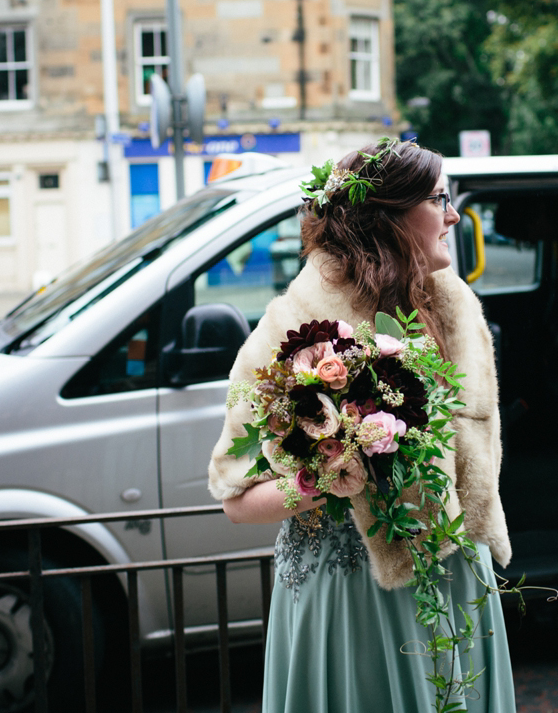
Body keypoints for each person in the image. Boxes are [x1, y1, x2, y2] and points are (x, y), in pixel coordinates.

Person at [208, 139, 517, 713]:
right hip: (351, 592)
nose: (453, 214)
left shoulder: (458, 310)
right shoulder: (290, 330)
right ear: (391, 219)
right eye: (439, 199)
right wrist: (325, 475)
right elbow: (236, 497)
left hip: (457, 578)